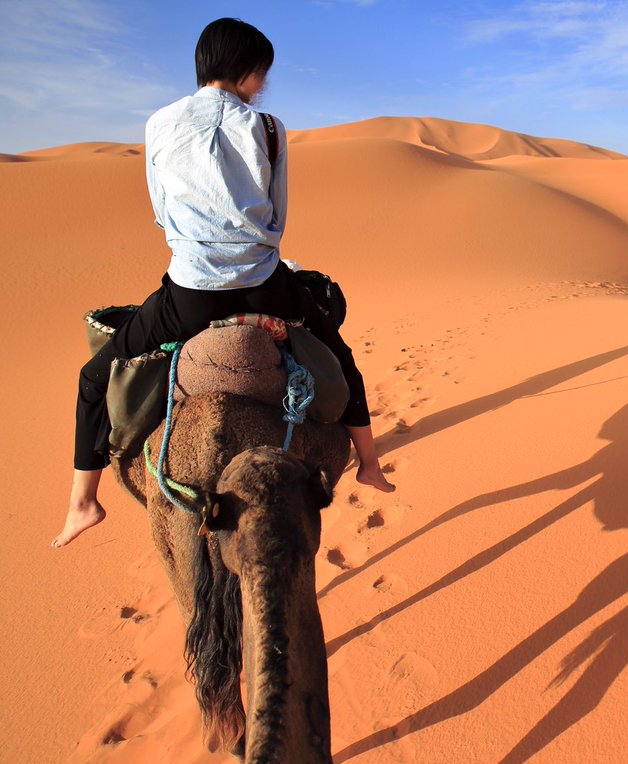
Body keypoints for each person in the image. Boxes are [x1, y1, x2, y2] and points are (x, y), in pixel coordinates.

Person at [54, 17, 394, 549]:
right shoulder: (269, 127)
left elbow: (161, 210)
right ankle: (370, 464)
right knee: (340, 357)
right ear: (248, 69)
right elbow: (277, 214)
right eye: (263, 73)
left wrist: (197, 244)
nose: (264, 84)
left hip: (188, 292)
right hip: (263, 282)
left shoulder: (159, 123)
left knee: (96, 374)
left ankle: (82, 503)